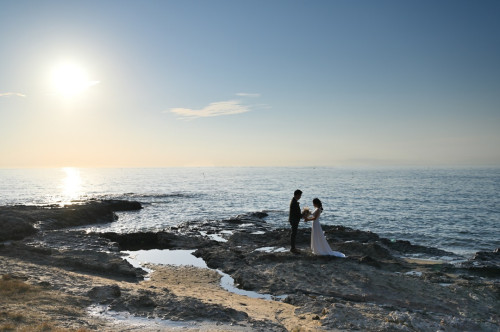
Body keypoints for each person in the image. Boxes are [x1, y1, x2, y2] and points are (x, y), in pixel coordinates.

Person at [288, 189, 303, 254]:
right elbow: (297, 214)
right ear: (297, 195)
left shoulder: (294, 200)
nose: (300, 197)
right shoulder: (294, 202)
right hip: (294, 220)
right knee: (293, 234)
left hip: (293, 219)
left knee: (294, 233)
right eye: (300, 195)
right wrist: (304, 214)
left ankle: (293, 247)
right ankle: (293, 248)